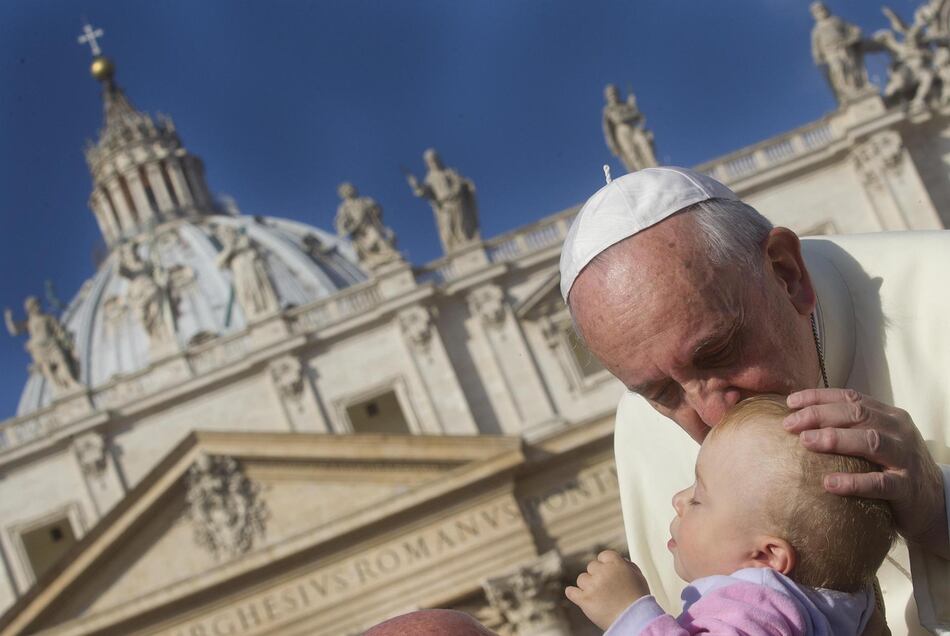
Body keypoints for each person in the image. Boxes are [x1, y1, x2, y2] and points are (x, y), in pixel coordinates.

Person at [559, 166, 949, 633]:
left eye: (719, 353)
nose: (714, 414)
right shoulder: (640, 432)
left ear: (787, 275)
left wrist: (939, 507)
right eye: (662, 393)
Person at [567, 395, 894, 634]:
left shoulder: (756, 607)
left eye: (697, 498)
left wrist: (629, 614)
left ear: (766, 555)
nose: (677, 499)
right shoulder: (850, 603)